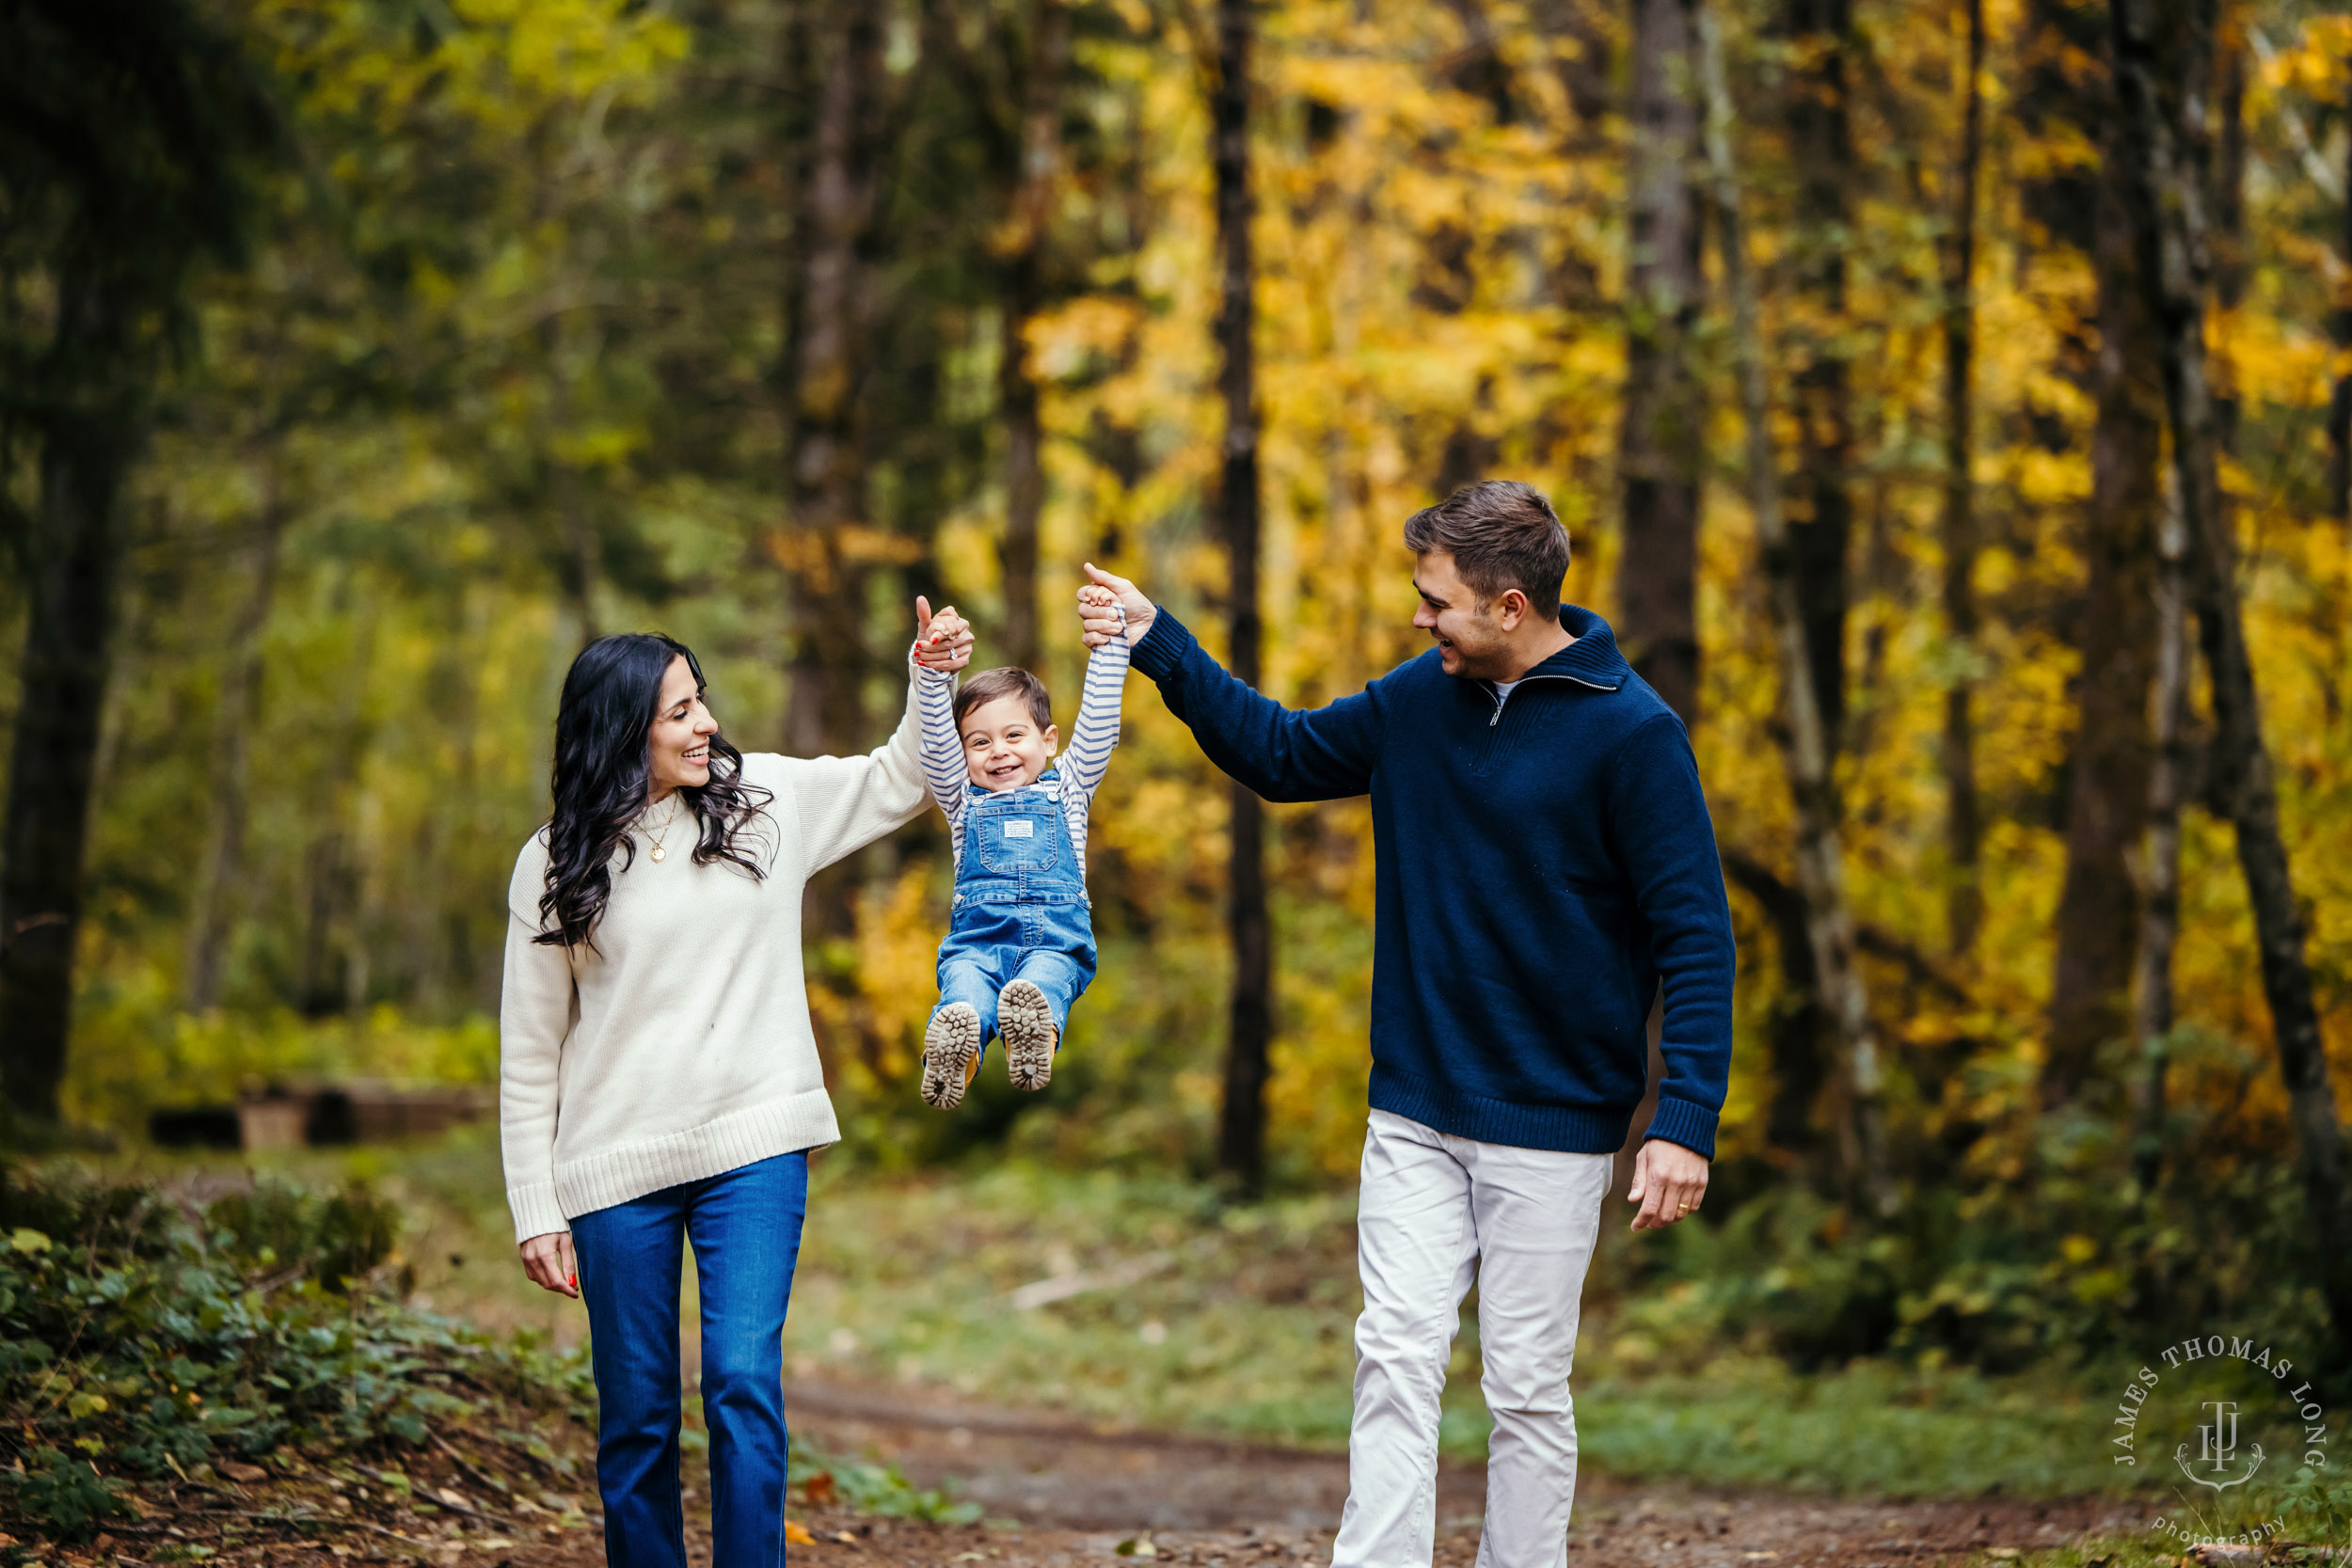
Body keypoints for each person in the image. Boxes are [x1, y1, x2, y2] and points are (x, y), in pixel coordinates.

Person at [1076, 480, 1735, 1568]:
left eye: (1436, 600)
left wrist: (1687, 1114)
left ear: (1509, 605)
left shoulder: (1634, 736)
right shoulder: (1420, 698)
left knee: (1526, 1388)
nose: (1419, 618)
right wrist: (1159, 643)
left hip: (1554, 1120)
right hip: (1417, 1103)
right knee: (1393, 1356)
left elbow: (1694, 937)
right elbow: (1282, 754)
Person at [499, 607, 971, 1568]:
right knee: (635, 1414)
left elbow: (900, 776)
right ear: (623, 727)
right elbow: (529, 1048)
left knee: (742, 1379)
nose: (705, 720)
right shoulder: (552, 860)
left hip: (752, 1145)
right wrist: (533, 1204)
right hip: (613, 1165)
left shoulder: (764, 800)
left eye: (700, 698)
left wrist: (928, 679)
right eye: (679, 710)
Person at [908, 587, 1131, 1108]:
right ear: (963, 757)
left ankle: (1034, 1035)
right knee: (965, 988)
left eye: (1013, 735)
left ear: (1049, 741)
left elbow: (1099, 723)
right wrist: (933, 670)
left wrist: (1111, 643)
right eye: (979, 742)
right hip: (978, 941)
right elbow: (936, 738)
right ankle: (954, 1048)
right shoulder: (961, 799)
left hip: (1054, 939)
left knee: (1046, 978)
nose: (998, 751)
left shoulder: (1070, 789)